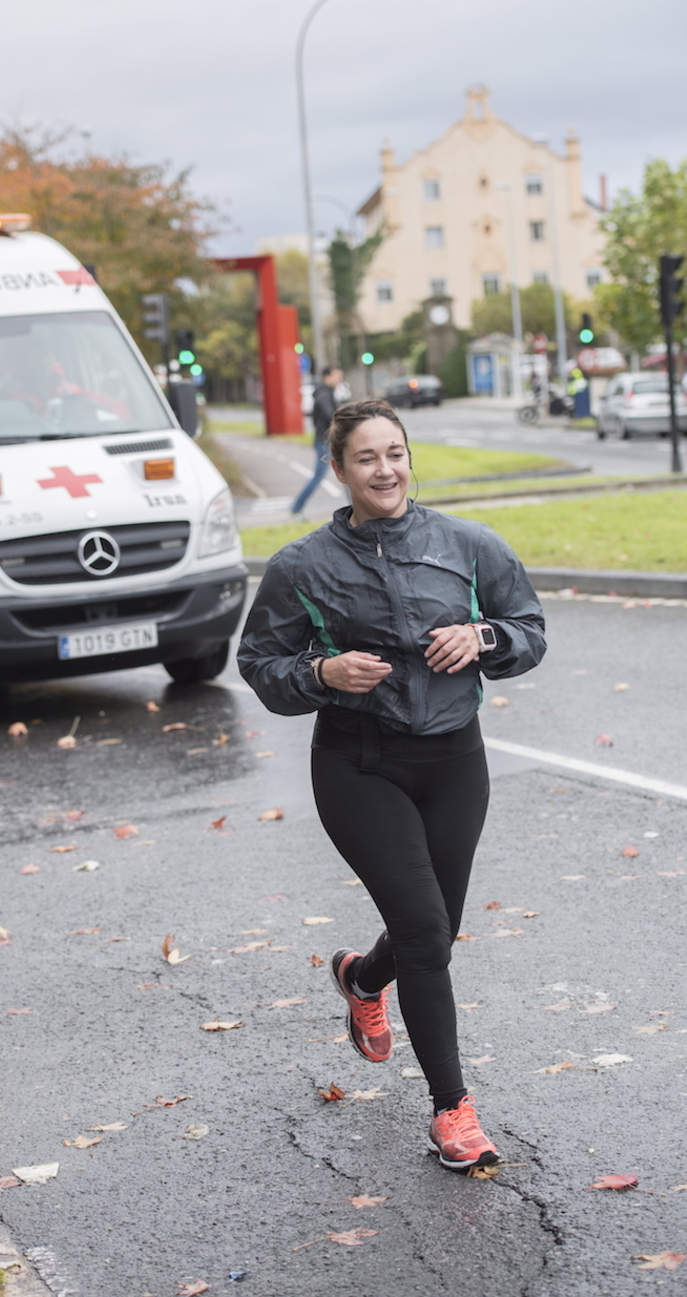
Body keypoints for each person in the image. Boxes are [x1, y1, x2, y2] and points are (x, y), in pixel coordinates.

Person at [238, 399, 546, 1171]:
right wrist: (322, 671)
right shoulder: (301, 565)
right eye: (367, 457)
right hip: (359, 762)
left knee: (432, 930)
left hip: (453, 761)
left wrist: (483, 636)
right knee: (425, 933)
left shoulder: (468, 543)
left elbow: (528, 629)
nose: (386, 469)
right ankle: (453, 1111)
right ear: (339, 470)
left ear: (411, 459)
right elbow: (259, 666)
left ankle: (361, 975)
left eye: (396, 453)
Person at [290, 364, 343, 516]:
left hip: (329, 441)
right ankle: (296, 507)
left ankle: (358, 508)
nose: (340, 379)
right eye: (337, 375)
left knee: (348, 473)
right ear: (327, 376)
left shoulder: (325, 393)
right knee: (319, 476)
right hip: (325, 442)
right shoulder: (324, 395)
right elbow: (331, 416)